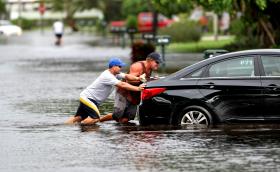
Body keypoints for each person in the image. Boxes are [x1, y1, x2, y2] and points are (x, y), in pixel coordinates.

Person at [65, 58, 145, 125]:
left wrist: (138, 78)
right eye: (119, 66)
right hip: (88, 98)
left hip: (87, 98)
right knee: (95, 118)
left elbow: (127, 76)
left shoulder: (115, 74)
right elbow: (122, 84)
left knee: (79, 118)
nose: (121, 68)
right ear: (113, 67)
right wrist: (138, 89)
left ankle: (65, 126)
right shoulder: (107, 76)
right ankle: (83, 129)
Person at [99, 52, 162, 124]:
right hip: (124, 92)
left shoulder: (150, 68)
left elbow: (144, 80)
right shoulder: (137, 66)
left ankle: (120, 133)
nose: (158, 64)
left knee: (127, 118)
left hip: (135, 94)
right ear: (149, 60)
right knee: (117, 115)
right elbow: (129, 80)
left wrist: (152, 79)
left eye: (159, 62)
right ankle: (99, 120)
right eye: (157, 62)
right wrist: (144, 80)